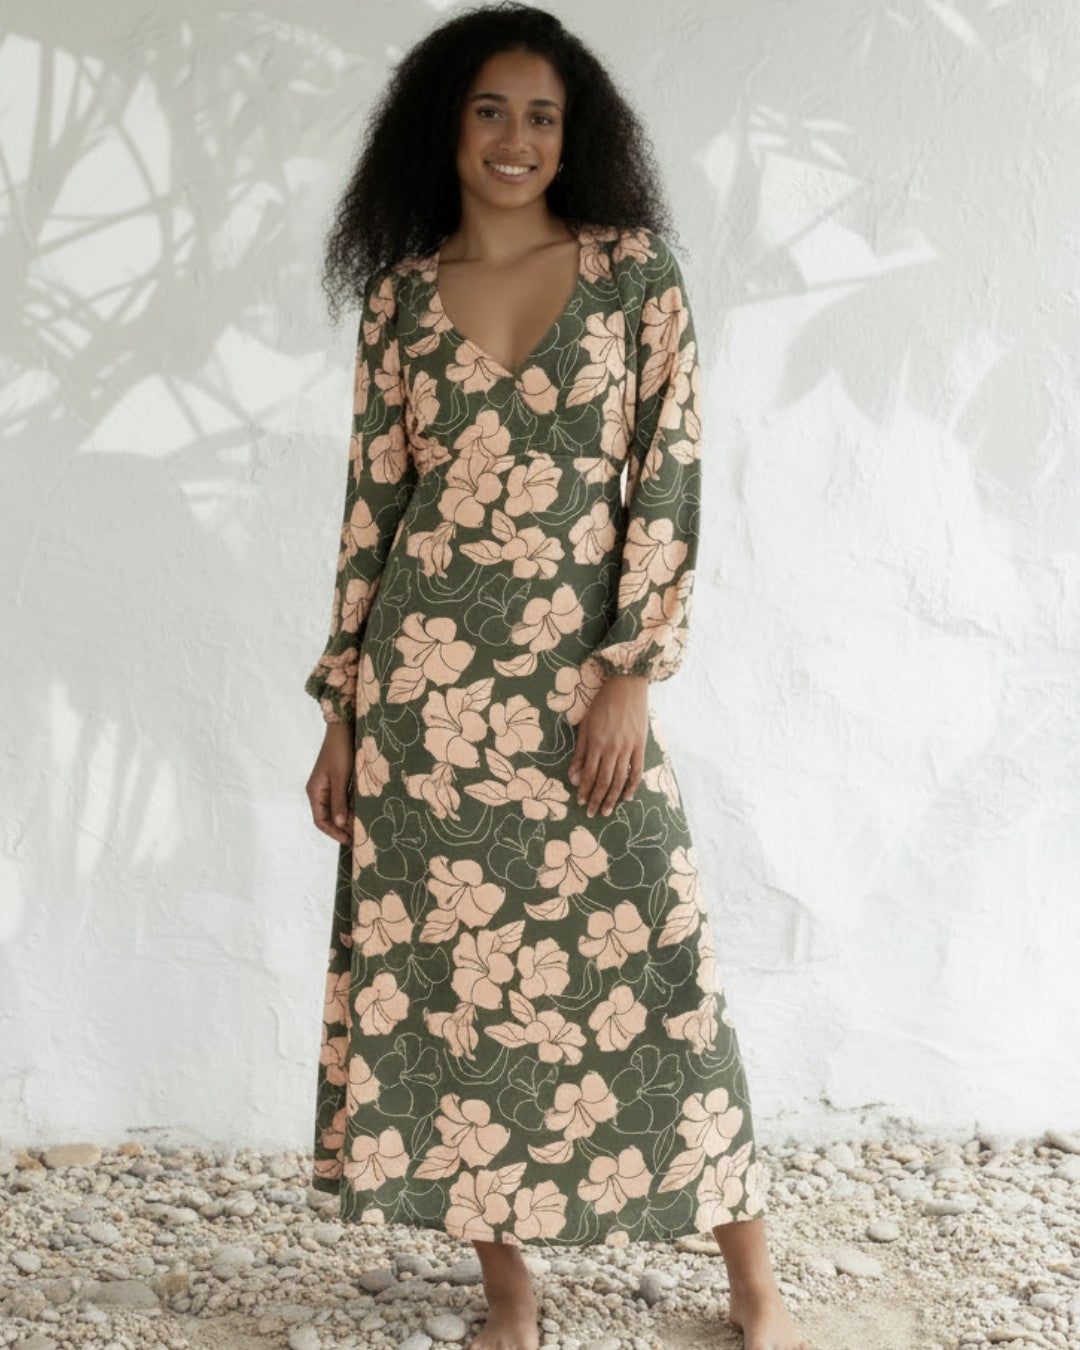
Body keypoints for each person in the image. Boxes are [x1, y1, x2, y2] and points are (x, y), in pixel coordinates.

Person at [303, 6, 809, 1349]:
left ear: (575, 137)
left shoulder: (633, 274)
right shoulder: (401, 300)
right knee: (454, 994)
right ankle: (509, 1294)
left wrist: (630, 672)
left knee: (662, 964)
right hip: (425, 702)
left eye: (543, 115)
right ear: (445, 127)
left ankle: (754, 1283)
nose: (516, 138)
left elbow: (670, 472)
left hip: (580, 692)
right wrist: (342, 711)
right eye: (490, 110)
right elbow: (372, 510)